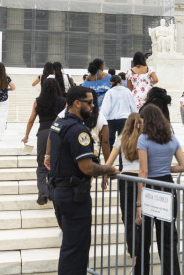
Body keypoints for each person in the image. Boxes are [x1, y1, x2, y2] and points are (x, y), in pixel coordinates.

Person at [48, 86, 118, 275]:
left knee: (69, 247)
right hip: (73, 195)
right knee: (76, 250)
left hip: (59, 191)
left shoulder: (59, 124)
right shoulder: (79, 131)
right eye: (89, 102)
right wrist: (109, 169)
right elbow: (87, 167)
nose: (93, 106)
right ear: (77, 103)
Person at [135, 104, 184, 275]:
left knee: (145, 237)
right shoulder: (172, 138)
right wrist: (167, 168)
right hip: (167, 185)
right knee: (167, 238)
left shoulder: (143, 139)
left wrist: (138, 203)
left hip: (150, 186)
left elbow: (143, 171)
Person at [102, 112, 144, 268]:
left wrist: (108, 175)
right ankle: (140, 252)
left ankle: (132, 250)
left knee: (128, 216)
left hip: (125, 180)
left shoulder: (121, 139)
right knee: (141, 216)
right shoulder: (144, 139)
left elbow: (110, 161)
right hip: (141, 179)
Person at [25, 78, 66, 205]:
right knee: (56, 164)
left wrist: (26, 135)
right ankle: (53, 193)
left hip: (43, 133)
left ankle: (43, 192)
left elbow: (31, 119)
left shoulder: (38, 101)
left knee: (42, 166)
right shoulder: (63, 101)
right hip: (58, 132)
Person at [101, 74, 135, 162]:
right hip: (124, 119)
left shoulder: (109, 92)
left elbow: (106, 108)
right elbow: (133, 105)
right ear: (120, 82)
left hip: (111, 120)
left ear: (111, 83)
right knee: (122, 143)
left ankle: (109, 165)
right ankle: (121, 166)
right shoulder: (127, 91)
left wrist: (102, 119)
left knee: (110, 142)